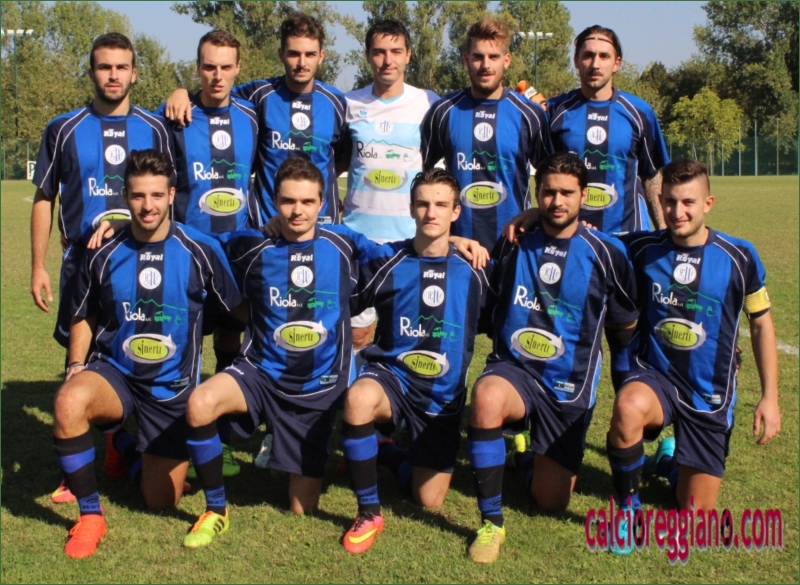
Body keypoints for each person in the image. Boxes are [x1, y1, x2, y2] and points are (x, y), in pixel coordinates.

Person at [51, 149, 241, 559]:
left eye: (156, 195)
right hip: (115, 373)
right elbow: (83, 312)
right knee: (69, 401)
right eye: (138, 195)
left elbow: (237, 310)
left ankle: (121, 443)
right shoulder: (103, 250)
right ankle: (90, 517)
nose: (147, 205)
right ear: (125, 196)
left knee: (160, 500)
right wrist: (76, 365)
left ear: (172, 195)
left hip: (171, 391)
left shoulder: (201, 249)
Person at [465, 152, 638, 564]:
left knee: (550, 501)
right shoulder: (514, 242)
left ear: (584, 197)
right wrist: (457, 240)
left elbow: (625, 327)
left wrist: (627, 386)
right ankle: (491, 523)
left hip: (568, 385)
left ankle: (525, 454)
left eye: (567, 193)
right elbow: (486, 293)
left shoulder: (607, 253)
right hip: (515, 370)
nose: (557, 201)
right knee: (486, 396)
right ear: (536, 193)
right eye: (548, 192)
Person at [605, 160, 780, 554]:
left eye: (688, 202)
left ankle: (671, 464)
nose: (677, 212)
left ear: (708, 204)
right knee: (628, 406)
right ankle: (628, 510)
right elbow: (586, 237)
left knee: (694, 512)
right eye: (669, 202)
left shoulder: (740, 257)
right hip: (657, 377)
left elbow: (761, 324)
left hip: (709, 392)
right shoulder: (642, 248)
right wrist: (531, 216)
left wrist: (769, 397)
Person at [29, 31, 172, 504]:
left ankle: (127, 446)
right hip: (80, 264)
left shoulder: (155, 128)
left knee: (139, 354)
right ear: (91, 72)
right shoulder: (63, 128)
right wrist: (38, 266)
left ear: (134, 73)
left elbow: (169, 199)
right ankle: (77, 471)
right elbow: (44, 198)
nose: (113, 75)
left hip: (140, 262)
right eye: (104, 66)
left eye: (121, 67)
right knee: (79, 363)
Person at [340, 168, 492, 554]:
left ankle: (386, 450)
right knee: (358, 399)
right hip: (392, 378)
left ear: (456, 212)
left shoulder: (476, 270)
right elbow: (339, 253)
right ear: (410, 208)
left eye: (441, 205)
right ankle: (369, 512)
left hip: (441, 396)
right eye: (423, 204)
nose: (431, 212)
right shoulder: (387, 260)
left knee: (428, 499)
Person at [155, 29, 259, 477]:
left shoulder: (252, 114)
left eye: (225, 67)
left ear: (238, 69)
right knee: (187, 345)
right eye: (208, 66)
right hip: (189, 251)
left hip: (237, 251)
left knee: (231, 339)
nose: (217, 76)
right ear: (197, 68)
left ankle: (224, 433)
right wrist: (176, 92)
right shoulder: (176, 117)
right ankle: (183, 433)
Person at [164, 12, 348, 226]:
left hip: (323, 223)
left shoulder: (336, 102)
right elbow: (217, 92)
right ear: (281, 54)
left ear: (321, 56)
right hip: (270, 226)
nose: (302, 62)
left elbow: (343, 157)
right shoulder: (259, 95)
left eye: (310, 54)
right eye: (293, 54)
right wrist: (182, 92)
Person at [339, 19, 440, 353]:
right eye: (379, 52)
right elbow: (335, 164)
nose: (387, 60)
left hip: (409, 241)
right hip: (359, 240)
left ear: (408, 55)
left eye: (396, 51)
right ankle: (354, 386)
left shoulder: (428, 104)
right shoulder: (348, 104)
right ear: (368, 56)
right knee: (357, 334)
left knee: (408, 333)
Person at [421, 16, 553, 251]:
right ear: (466, 59)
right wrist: (446, 236)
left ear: (507, 60)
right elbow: (421, 175)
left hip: (514, 245)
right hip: (458, 247)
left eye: (493, 57)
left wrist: (537, 211)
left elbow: (552, 177)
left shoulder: (529, 114)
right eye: (478, 57)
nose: (485, 65)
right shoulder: (443, 112)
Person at [547, 25, 669, 236]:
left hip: (628, 236)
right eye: (588, 55)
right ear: (576, 61)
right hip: (572, 237)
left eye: (604, 56)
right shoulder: (554, 111)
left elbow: (651, 176)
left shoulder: (640, 112)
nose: (595, 64)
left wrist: (664, 233)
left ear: (617, 63)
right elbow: (544, 176)